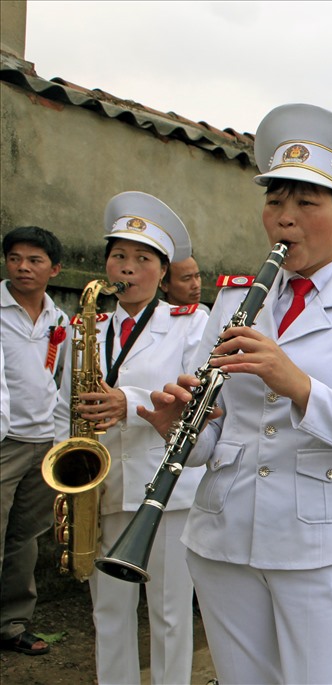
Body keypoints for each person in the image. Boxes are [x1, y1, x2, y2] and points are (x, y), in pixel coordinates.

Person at [139, 103, 332, 683]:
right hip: (223, 540)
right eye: (275, 203)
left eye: (305, 204)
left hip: (320, 549)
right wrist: (179, 428)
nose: (285, 218)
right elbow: (211, 436)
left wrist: (299, 386)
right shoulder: (235, 298)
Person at [51, 192, 208, 684]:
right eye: (119, 255)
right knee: (108, 613)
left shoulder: (190, 323)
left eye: (143, 259)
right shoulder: (87, 328)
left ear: (163, 273)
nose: (128, 267)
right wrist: (67, 478)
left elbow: (196, 393)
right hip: (102, 487)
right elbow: (66, 404)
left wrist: (131, 401)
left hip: (165, 491)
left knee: (168, 612)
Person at [0, 226, 67, 657]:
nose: (23, 267)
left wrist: (59, 439)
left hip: (43, 443)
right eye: (15, 258)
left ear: (54, 269)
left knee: (24, 538)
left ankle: (12, 623)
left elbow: (59, 383)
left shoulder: (60, 320)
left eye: (35, 260)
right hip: (4, 442)